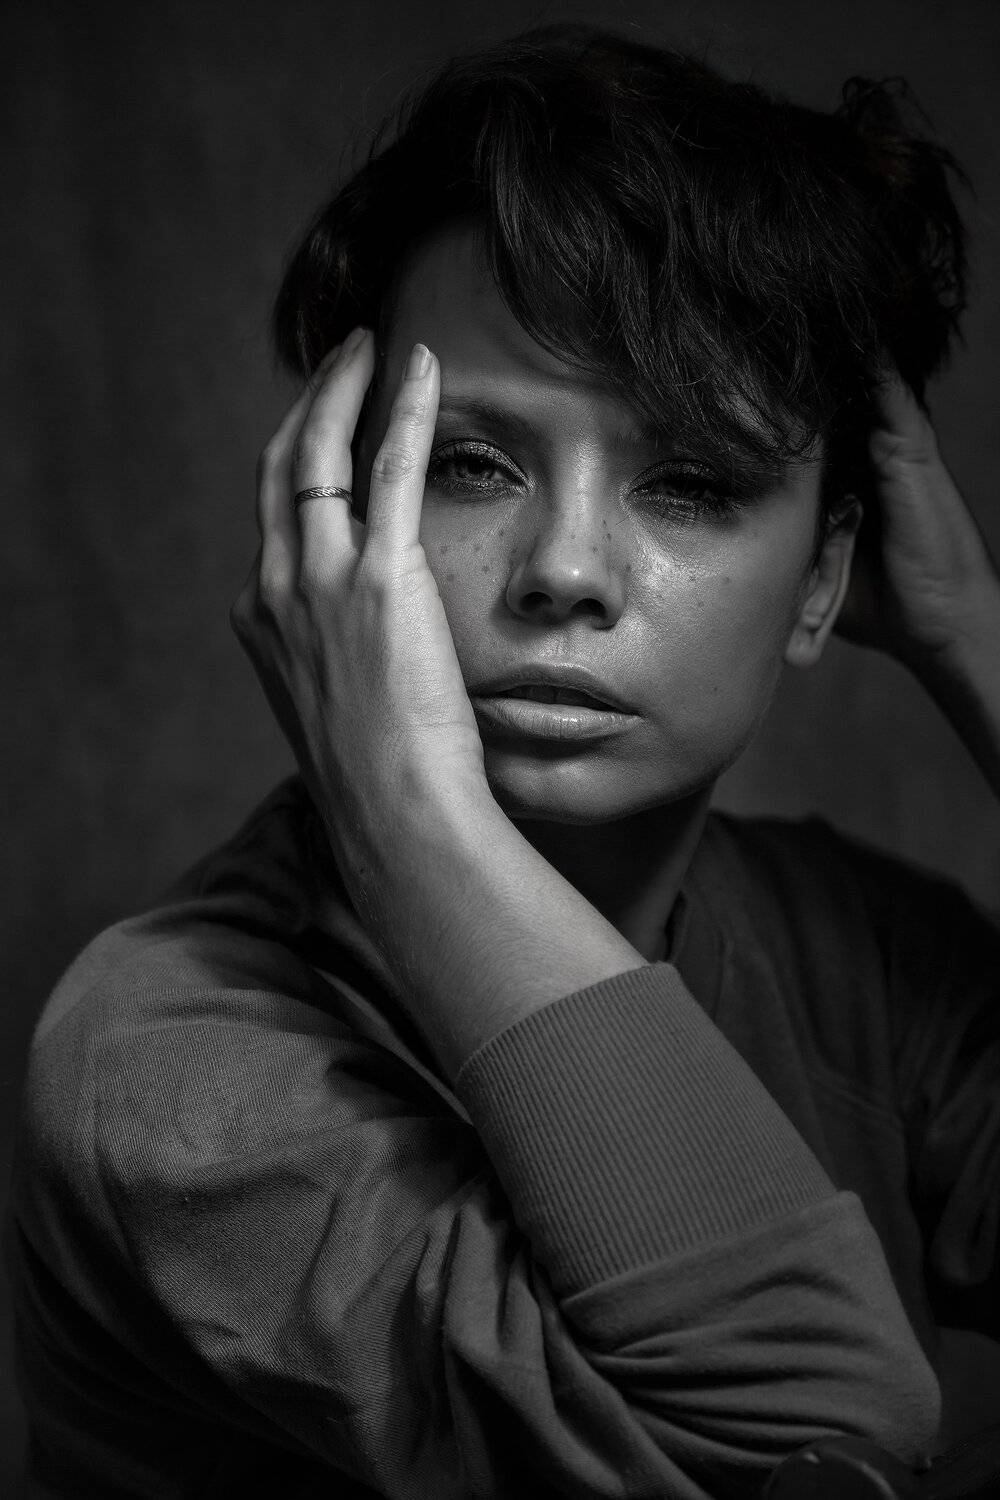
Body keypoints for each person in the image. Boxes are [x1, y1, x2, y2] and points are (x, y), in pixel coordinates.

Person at [7, 23, 1000, 1500]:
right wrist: (409, 810)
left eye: (691, 481)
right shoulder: (167, 1061)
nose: (565, 571)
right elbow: (811, 1428)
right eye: (471, 463)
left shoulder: (869, 958)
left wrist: (978, 638)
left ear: (821, 578)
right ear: (338, 504)